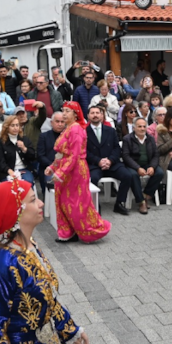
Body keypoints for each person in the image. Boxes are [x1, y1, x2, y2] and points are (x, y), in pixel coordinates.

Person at [0, 177, 89, 344]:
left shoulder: (29, 245)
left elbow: (47, 297)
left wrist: (70, 329)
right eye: (34, 200)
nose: (41, 203)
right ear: (15, 211)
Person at [44, 102, 110, 243]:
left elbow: (74, 155)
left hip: (75, 171)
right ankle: (68, 232)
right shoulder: (68, 129)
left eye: (68, 111)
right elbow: (62, 154)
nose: (64, 114)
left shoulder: (76, 130)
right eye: (63, 110)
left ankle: (91, 230)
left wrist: (61, 172)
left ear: (75, 114)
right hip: (66, 169)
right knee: (63, 202)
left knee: (76, 204)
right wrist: (53, 166)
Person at [86, 106, 145, 215]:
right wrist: (98, 161)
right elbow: (84, 152)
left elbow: (116, 148)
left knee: (127, 175)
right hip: (94, 165)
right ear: (88, 116)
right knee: (92, 179)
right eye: (92, 113)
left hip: (111, 163)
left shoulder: (111, 131)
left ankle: (119, 203)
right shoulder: (84, 132)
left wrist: (110, 161)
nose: (95, 115)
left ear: (102, 115)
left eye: (97, 113)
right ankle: (95, 207)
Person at [122, 117, 164, 211]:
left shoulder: (150, 138)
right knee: (132, 175)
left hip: (147, 163)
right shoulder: (127, 139)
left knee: (159, 173)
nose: (142, 129)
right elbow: (126, 156)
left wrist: (152, 167)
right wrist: (137, 168)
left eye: (144, 126)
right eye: (139, 126)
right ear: (134, 128)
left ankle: (146, 195)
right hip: (133, 165)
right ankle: (141, 202)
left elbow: (156, 155)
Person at [0, 115, 36, 185]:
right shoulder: (1, 143)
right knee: (12, 185)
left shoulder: (25, 139)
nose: (15, 128)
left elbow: (33, 156)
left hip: (24, 170)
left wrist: (24, 149)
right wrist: (9, 171)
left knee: (26, 183)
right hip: (8, 171)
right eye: (12, 125)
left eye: (17, 125)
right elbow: (0, 162)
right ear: (7, 127)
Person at [37, 111, 65, 190]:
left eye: (62, 122)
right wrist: (53, 166)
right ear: (51, 122)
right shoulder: (44, 136)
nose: (60, 124)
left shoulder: (68, 136)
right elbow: (40, 156)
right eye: (57, 121)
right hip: (48, 167)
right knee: (50, 182)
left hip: (65, 168)